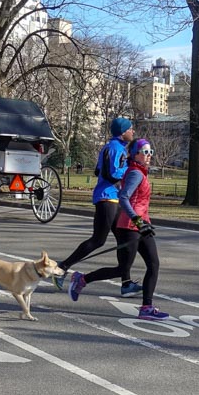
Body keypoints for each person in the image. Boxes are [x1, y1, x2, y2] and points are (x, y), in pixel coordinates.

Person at [66, 139, 168, 320]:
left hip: (141, 225)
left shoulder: (140, 172)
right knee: (122, 269)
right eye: (145, 152)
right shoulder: (136, 173)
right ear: (135, 154)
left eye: (150, 151)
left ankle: (146, 307)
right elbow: (123, 197)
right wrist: (137, 220)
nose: (149, 155)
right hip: (129, 226)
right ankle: (81, 279)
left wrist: (144, 222)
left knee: (154, 264)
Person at [53, 116, 140, 297]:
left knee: (123, 241)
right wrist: (131, 169)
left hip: (115, 199)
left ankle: (126, 283)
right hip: (107, 199)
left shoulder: (117, 148)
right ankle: (62, 268)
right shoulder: (115, 148)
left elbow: (98, 170)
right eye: (130, 129)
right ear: (123, 132)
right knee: (98, 240)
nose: (133, 131)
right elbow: (111, 174)